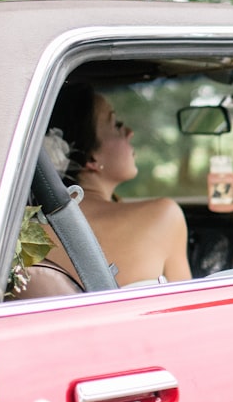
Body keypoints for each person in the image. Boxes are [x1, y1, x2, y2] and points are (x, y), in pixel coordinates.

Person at [42, 82, 192, 286]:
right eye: (116, 125)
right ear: (91, 159)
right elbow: (187, 310)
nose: (129, 132)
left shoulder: (27, 226)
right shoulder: (163, 215)